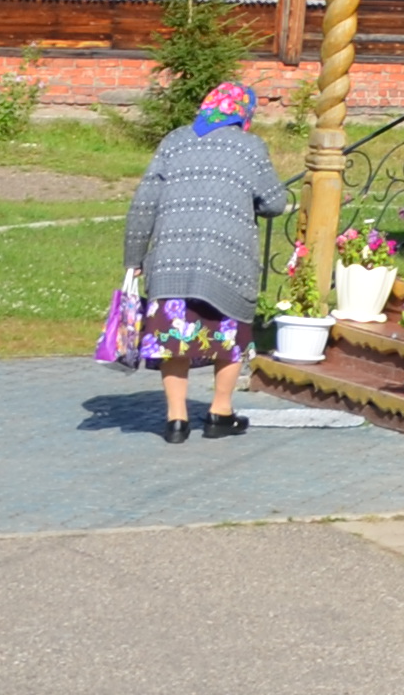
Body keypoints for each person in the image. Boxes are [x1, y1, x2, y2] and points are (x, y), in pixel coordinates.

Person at [122, 81, 288, 443]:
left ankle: (176, 421)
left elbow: (144, 203)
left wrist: (133, 259)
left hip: (170, 263)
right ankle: (220, 412)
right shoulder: (250, 147)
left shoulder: (175, 141)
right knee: (228, 337)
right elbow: (275, 202)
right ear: (243, 112)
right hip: (226, 260)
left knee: (172, 339)